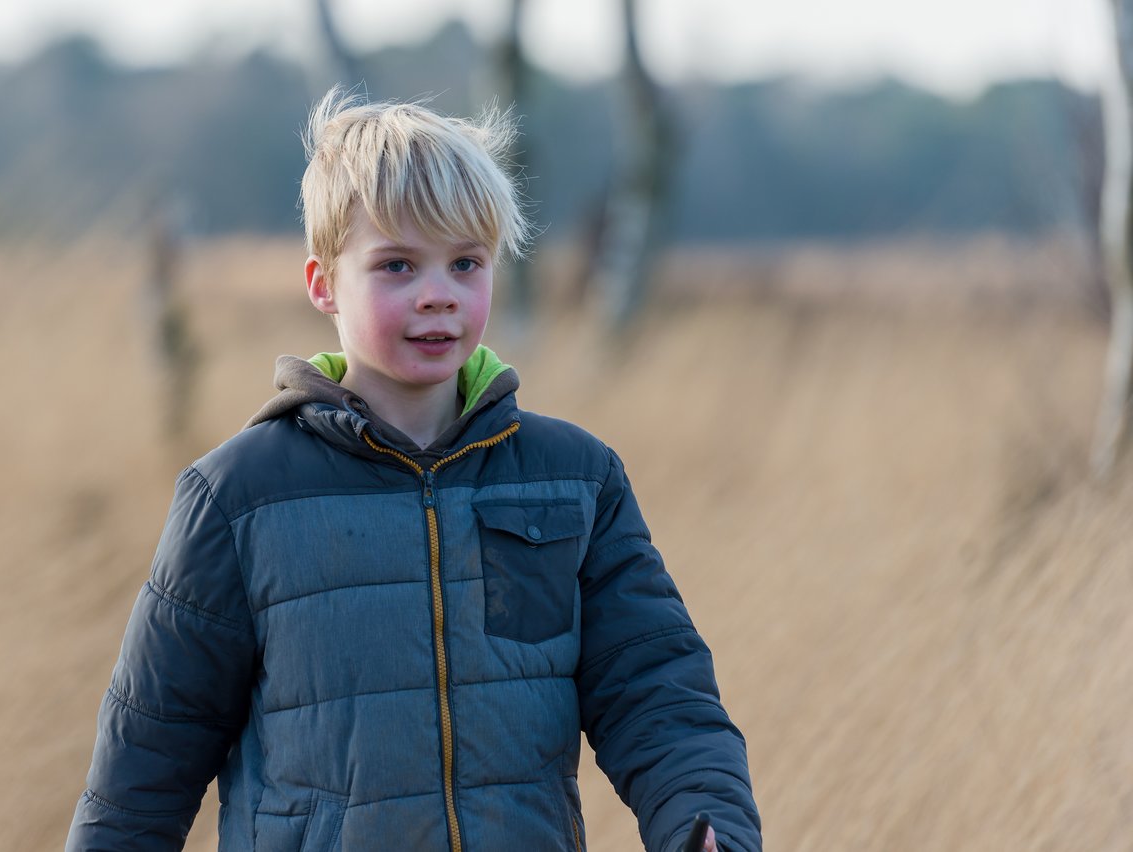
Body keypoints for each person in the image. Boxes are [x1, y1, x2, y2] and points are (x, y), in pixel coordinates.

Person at [66, 88, 761, 852]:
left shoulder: (575, 478)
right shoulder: (238, 497)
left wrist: (706, 828)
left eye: (466, 263)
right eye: (397, 265)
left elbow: (660, 698)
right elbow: (144, 766)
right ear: (323, 282)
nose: (439, 296)